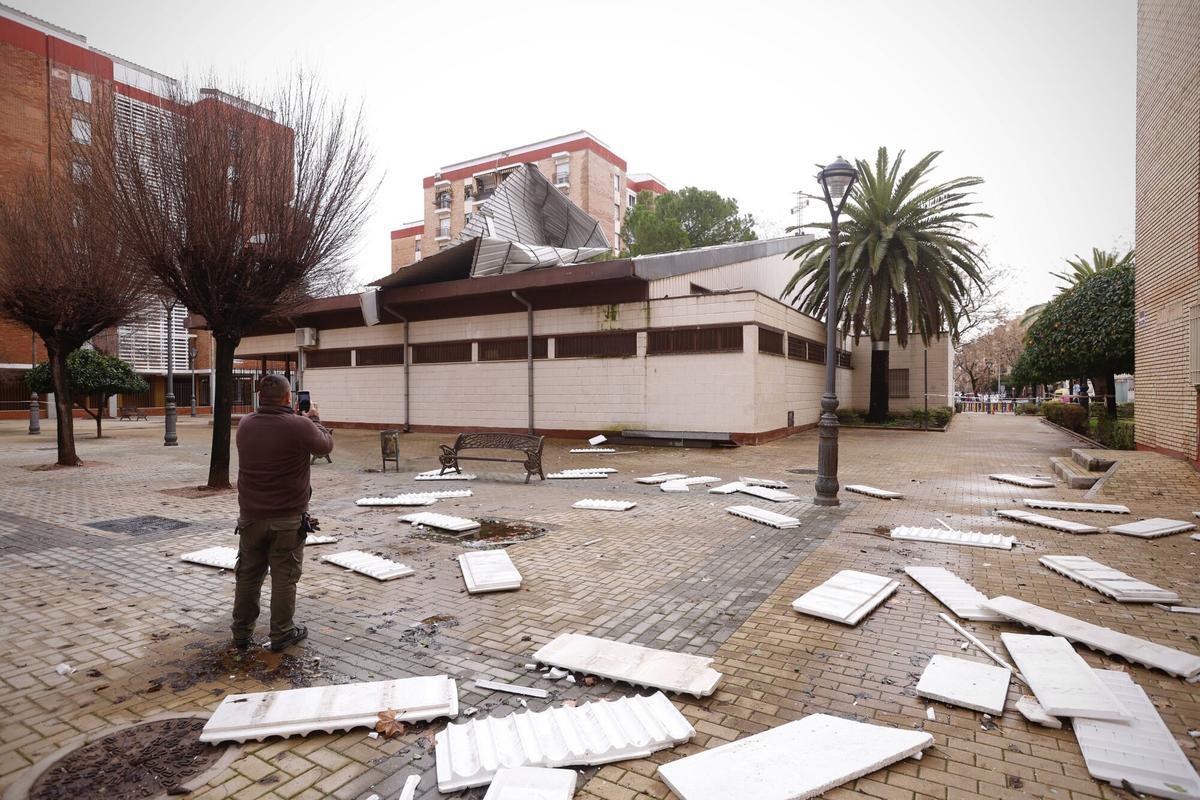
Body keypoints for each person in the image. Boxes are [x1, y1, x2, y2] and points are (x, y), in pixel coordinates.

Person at [231, 374, 333, 651]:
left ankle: (241, 633)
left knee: (248, 576)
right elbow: (325, 447)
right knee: (284, 577)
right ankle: (282, 633)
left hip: (251, 516)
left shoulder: (246, 423)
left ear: (259, 397)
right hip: (287, 518)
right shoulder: (299, 425)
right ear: (289, 398)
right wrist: (314, 419)